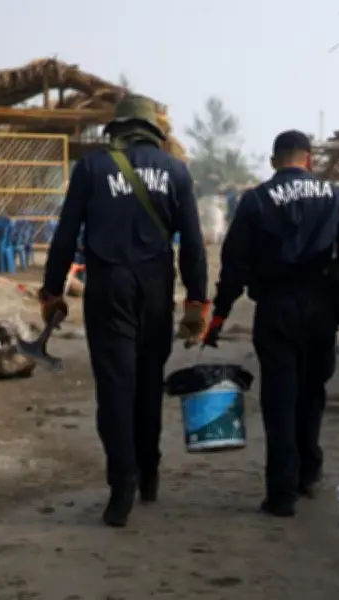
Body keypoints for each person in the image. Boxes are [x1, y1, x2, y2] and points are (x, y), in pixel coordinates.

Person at [39, 94, 209, 528]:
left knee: (116, 386)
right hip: (155, 286)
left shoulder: (92, 169)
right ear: (153, 131)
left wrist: (52, 290)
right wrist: (196, 300)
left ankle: (122, 486)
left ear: (117, 129)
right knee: (148, 382)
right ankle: (149, 470)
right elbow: (192, 243)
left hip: (108, 286)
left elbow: (65, 236)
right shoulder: (176, 171)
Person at [201, 130, 339, 517]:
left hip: (276, 308)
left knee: (279, 398)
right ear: (309, 160)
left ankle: (281, 494)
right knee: (312, 392)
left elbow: (234, 263)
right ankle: (309, 474)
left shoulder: (256, 200)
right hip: (321, 308)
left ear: (274, 161)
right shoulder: (333, 197)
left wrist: (221, 312)